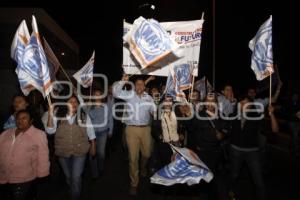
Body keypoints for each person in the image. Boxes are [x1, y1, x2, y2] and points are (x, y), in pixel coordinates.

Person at [46, 95, 96, 200]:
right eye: (71, 101)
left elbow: (90, 131)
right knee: (69, 177)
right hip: (63, 152)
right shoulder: (58, 115)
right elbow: (50, 131)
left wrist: (93, 145)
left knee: (76, 177)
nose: (73, 104)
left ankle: (75, 195)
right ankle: (73, 189)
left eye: (75, 102)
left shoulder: (83, 116)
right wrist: (50, 113)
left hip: (80, 151)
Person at [113, 74, 156, 196]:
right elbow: (116, 93)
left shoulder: (149, 98)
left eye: (142, 84)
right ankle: (134, 183)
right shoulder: (129, 95)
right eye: (137, 84)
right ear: (134, 85)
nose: (139, 86)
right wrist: (122, 81)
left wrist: (156, 112)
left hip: (146, 130)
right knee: (133, 158)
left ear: (144, 86)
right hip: (131, 130)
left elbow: (154, 111)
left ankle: (143, 168)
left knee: (147, 154)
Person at [228, 98, 279, 200]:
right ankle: (231, 190)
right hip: (235, 150)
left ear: (251, 105)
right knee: (234, 174)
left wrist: (272, 114)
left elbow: (275, 130)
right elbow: (221, 123)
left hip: (252, 152)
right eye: (241, 103)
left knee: (258, 180)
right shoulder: (232, 116)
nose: (243, 105)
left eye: (246, 103)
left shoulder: (257, 117)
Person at [183, 93, 228, 200]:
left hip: (215, 153)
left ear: (216, 103)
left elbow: (227, 129)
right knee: (202, 179)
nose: (210, 103)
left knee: (213, 178)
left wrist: (223, 134)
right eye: (208, 101)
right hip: (201, 153)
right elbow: (190, 127)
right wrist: (188, 116)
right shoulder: (199, 115)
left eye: (212, 101)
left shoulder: (222, 115)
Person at [0, 109, 50, 200]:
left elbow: (43, 155)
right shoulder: (6, 133)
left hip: (24, 177)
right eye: (18, 118)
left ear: (31, 121)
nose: (20, 120)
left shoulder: (38, 134)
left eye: (24, 118)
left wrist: (42, 173)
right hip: (3, 176)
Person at [88, 89, 114, 179]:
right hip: (92, 133)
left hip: (103, 131)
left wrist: (110, 131)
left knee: (101, 153)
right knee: (92, 153)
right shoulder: (89, 107)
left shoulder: (106, 106)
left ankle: (101, 167)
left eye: (99, 94)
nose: (97, 96)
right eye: (96, 94)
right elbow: (87, 120)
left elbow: (110, 119)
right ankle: (95, 173)